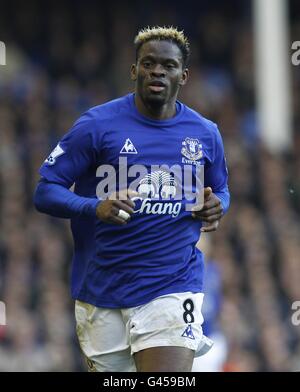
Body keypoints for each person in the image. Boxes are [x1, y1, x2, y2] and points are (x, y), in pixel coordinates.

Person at [34, 26, 230, 372]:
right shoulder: (96, 125)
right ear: (134, 70)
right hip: (103, 287)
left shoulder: (205, 134)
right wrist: (95, 206)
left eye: (168, 66)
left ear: (183, 76)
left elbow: (221, 191)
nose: (157, 71)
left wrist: (218, 206)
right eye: (148, 63)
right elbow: (45, 190)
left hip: (173, 283)